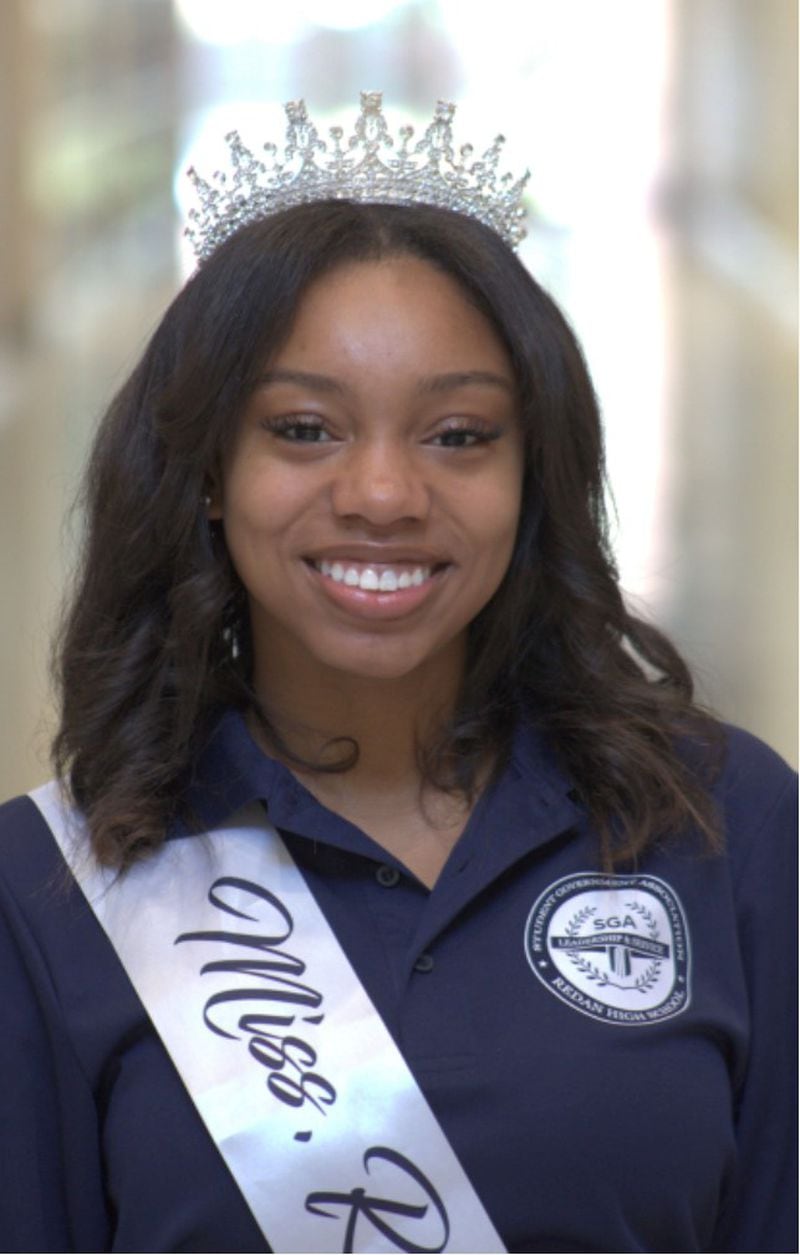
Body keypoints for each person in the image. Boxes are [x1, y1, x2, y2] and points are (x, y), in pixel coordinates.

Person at [0, 94, 795, 1255]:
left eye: (458, 435)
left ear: (535, 477)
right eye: (305, 429)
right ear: (209, 469)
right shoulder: (55, 889)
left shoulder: (724, 827)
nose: (382, 495)